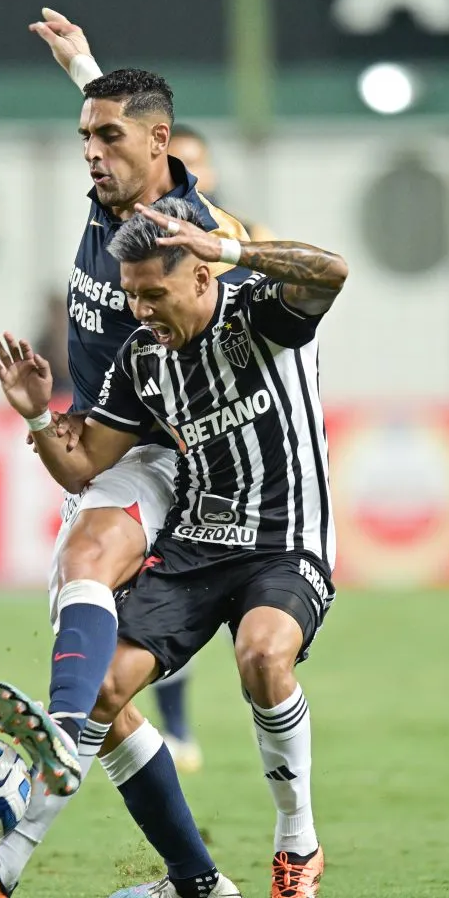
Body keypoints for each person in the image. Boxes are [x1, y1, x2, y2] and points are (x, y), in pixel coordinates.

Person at [0, 10, 248, 898]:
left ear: (159, 143)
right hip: (105, 442)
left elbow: (256, 289)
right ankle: (194, 880)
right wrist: (84, 66)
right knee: (108, 698)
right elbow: (124, 124)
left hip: (166, 453)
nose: (91, 154)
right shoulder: (110, 198)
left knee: (85, 563)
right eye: (83, 139)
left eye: (107, 140)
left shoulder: (188, 233)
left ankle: (46, 760)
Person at [0, 197, 345, 898]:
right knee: (103, 690)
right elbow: (83, 462)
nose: (141, 309)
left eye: (155, 293)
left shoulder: (259, 315)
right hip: (194, 548)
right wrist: (34, 412)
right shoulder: (143, 360)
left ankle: (296, 850)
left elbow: (331, 272)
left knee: (262, 655)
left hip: (286, 539)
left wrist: (231, 249)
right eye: (130, 295)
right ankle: (12, 865)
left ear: (202, 278)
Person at [153, 126, 275, 772]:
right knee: (162, 572)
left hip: (245, 436)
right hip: (174, 432)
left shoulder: (249, 240)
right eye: (178, 168)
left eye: (195, 166)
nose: (188, 178)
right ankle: (175, 728)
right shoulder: (145, 248)